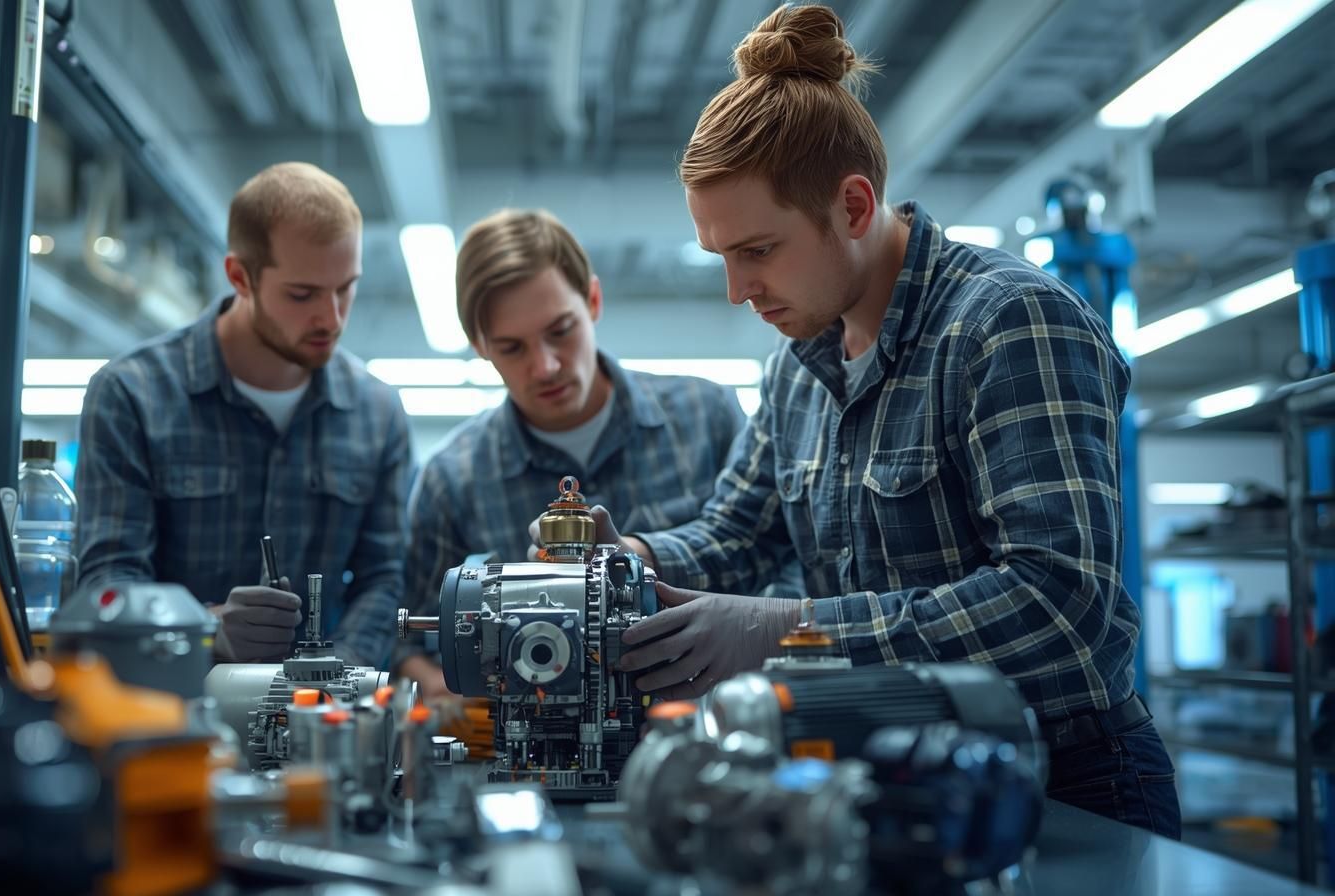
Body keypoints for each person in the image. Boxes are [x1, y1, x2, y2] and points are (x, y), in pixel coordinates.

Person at [539, 4, 1180, 837]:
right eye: (722, 258)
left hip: (1061, 783)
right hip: (884, 780)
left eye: (757, 251)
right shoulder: (799, 367)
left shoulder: (1010, 324)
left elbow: (1057, 606)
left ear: (851, 205)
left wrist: (787, 631)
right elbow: (740, 532)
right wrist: (631, 560)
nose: (738, 290)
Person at [393, 208, 749, 698]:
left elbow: (779, 572)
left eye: (560, 330)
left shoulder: (709, 418)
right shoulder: (451, 483)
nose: (545, 366)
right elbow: (410, 642)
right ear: (479, 346)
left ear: (594, 300)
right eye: (512, 348)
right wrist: (451, 694)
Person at [76, 162, 410, 669]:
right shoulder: (132, 395)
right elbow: (109, 582)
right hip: (172, 709)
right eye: (302, 294)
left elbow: (384, 579)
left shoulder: (377, 414)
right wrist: (204, 629)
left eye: (346, 287)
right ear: (240, 276)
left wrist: (329, 680)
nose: (333, 317)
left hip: (324, 726)